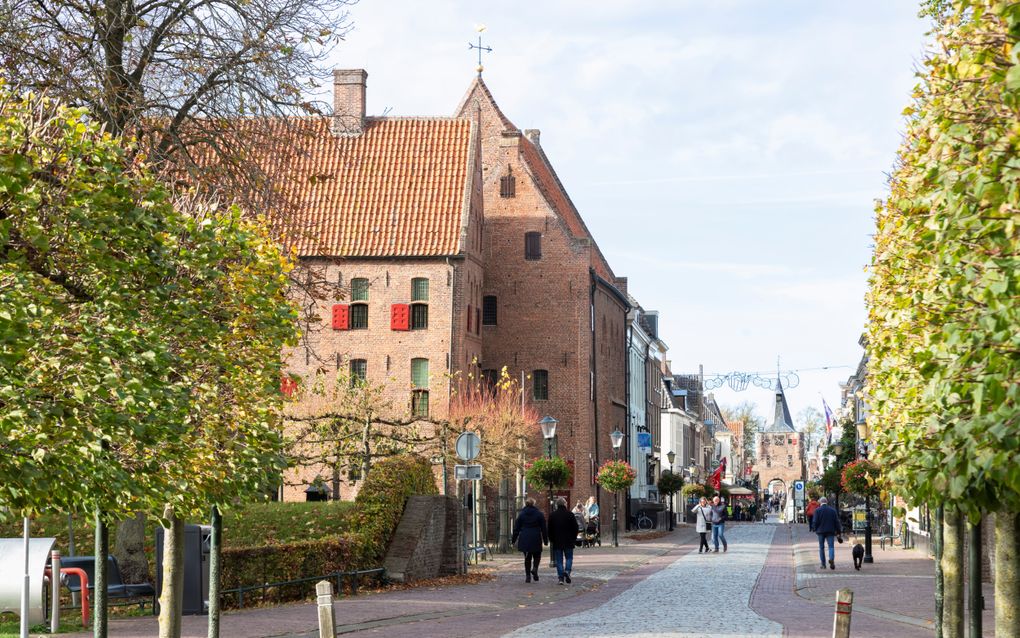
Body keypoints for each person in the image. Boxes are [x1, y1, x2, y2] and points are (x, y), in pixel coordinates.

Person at [511, 497, 549, 583]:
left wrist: (513, 540)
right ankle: (535, 569)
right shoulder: (539, 514)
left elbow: (516, 528)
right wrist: (546, 540)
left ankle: (528, 576)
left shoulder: (521, 514)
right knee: (537, 555)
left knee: (527, 558)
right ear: (534, 504)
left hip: (525, 537)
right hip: (536, 537)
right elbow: (544, 528)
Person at [548, 497, 580, 585]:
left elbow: (549, 529)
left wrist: (551, 539)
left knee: (559, 560)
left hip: (557, 541)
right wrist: (573, 538)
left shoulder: (552, 515)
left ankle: (561, 578)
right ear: (565, 504)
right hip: (568, 540)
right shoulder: (570, 514)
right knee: (569, 558)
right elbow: (575, 528)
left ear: (557, 505)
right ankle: (567, 571)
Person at [812, 496, 842, 570]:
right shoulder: (832, 510)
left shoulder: (817, 510)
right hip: (830, 531)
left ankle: (823, 564)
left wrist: (815, 529)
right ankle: (831, 559)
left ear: (820, 502)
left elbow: (815, 521)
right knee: (831, 547)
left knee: (821, 548)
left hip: (820, 531)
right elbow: (837, 522)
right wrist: (838, 531)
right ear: (827, 502)